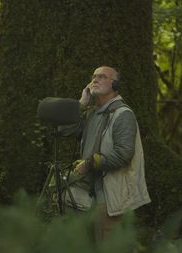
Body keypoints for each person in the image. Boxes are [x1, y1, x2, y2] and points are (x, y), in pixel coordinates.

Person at [64, 66, 151, 241]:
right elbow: (64, 131)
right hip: (87, 191)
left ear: (115, 84)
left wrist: (89, 163)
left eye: (102, 77)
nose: (95, 80)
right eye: (94, 76)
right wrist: (81, 105)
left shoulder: (123, 114)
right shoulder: (91, 113)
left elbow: (124, 154)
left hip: (109, 197)